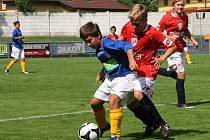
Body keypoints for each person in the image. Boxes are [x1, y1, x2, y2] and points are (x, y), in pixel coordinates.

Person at [120, 4, 177, 137]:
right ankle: (151, 124)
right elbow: (121, 40)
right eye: (132, 23)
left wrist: (161, 59)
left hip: (148, 70)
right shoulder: (128, 26)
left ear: (145, 20)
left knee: (139, 95)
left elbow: (172, 46)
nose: (133, 26)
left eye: (137, 24)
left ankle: (163, 124)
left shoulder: (153, 32)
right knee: (131, 104)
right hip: (132, 70)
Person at [80, 21, 139, 140]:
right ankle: (103, 126)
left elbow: (127, 45)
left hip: (125, 76)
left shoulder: (107, 43)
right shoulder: (98, 49)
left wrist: (132, 60)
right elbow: (111, 61)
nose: (88, 44)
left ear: (98, 35)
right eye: (86, 42)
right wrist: (102, 72)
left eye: (90, 40)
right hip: (111, 78)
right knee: (95, 103)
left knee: (113, 101)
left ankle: (115, 136)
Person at [157, 0, 199, 108]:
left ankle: (155, 69)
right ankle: (181, 103)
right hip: (172, 49)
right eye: (178, 5)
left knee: (178, 74)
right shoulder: (166, 17)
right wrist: (169, 37)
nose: (180, 7)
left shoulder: (185, 16)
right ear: (173, 6)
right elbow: (157, 32)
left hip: (180, 47)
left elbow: (185, 30)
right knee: (181, 74)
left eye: (182, 5)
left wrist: (193, 40)